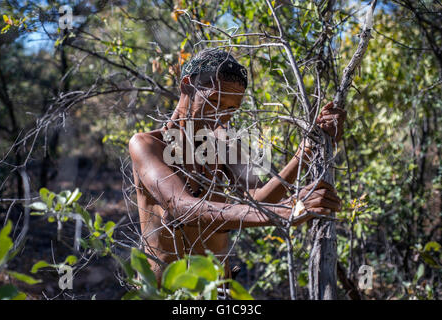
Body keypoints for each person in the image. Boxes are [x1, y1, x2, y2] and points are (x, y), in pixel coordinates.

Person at [129, 48, 346, 282]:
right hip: (166, 294)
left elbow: (258, 200)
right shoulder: (146, 145)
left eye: (231, 108)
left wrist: (306, 150)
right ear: (186, 85)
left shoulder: (223, 141)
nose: (220, 115)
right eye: (214, 100)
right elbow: (182, 207)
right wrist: (283, 211)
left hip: (218, 292)